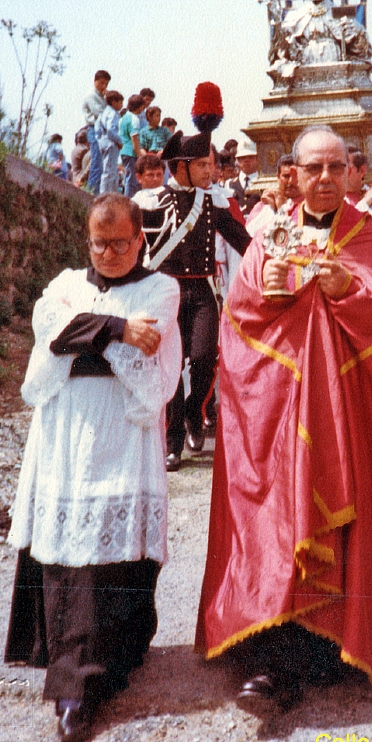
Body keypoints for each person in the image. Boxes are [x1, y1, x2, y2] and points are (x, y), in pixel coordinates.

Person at [196, 125, 372, 711]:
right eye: (311, 169)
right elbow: (237, 320)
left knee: (339, 528)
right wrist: (261, 292)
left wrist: (349, 287)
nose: (323, 180)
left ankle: (326, 648)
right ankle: (274, 661)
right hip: (279, 415)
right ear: (291, 173)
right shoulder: (269, 236)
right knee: (277, 525)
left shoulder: (371, 237)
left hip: (347, 418)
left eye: (334, 169)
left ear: (351, 173)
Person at [4, 193, 181, 742]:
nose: (108, 252)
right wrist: (118, 330)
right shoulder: (64, 283)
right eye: (98, 243)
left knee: (116, 546)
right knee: (69, 548)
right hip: (65, 428)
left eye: (120, 243)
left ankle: (119, 654)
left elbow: (148, 344)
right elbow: (51, 327)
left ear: (141, 240)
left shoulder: (162, 287)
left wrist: (97, 333)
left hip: (124, 428)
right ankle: (73, 684)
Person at [147, 83, 252, 471]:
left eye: (211, 165)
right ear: (182, 167)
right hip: (167, 294)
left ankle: (195, 415)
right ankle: (174, 441)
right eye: (203, 165)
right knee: (171, 366)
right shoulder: (153, 202)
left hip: (204, 291)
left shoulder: (214, 202)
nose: (211, 171)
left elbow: (243, 240)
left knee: (206, 358)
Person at [83, 70, 111, 195]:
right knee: (97, 162)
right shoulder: (91, 95)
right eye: (101, 83)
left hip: (103, 131)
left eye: (106, 84)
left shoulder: (103, 96)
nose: (103, 86)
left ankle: (97, 192)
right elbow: (100, 113)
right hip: (94, 129)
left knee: (104, 164)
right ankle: (91, 192)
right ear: (95, 81)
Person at [96, 90, 125, 196]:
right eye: (120, 102)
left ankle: (108, 194)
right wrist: (119, 141)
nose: (121, 105)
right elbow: (111, 131)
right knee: (110, 171)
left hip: (103, 142)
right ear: (114, 102)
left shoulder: (104, 113)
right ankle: (105, 194)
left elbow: (97, 129)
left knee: (108, 169)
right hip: (111, 143)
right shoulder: (113, 114)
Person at [120, 94, 146, 198]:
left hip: (123, 151)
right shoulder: (135, 119)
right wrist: (140, 155)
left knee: (128, 178)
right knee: (132, 180)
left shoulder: (123, 118)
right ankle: (129, 200)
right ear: (140, 106)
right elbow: (135, 140)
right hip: (131, 152)